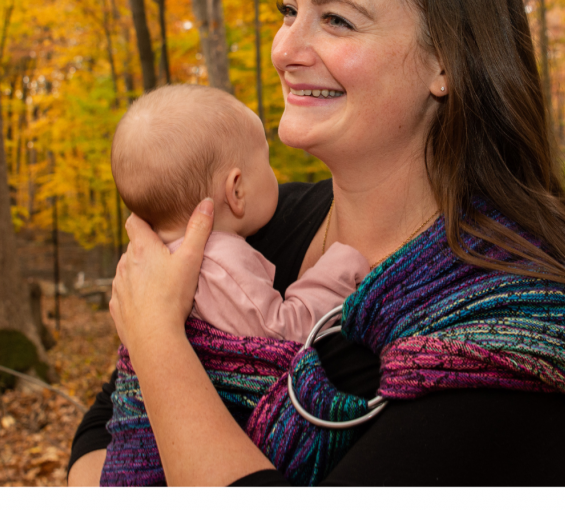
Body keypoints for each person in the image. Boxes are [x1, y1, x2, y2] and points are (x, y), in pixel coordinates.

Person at [68, 0, 565, 487]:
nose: (285, 49)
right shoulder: (250, 225)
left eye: (337, 19)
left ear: (445, 63)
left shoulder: (512, 329)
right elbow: (108, 426)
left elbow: (150, 379)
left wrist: (156, 340)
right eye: (290, 10)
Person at [108, 84, 369, 341]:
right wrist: (341, 266)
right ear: (236, 192)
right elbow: (282, 331)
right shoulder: (222, 263)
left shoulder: (147, 267)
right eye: (266, 162)